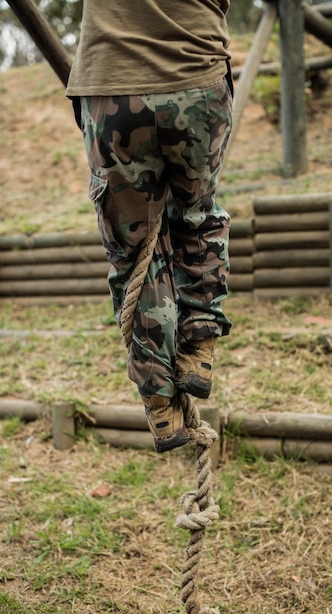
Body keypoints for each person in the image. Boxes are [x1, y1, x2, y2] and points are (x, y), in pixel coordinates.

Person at [66, 0, 233, 453]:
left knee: (134, 250)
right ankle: (198, 353)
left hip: (113, 84)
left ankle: (160, 402)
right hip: (196, 74)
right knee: (197, 218)